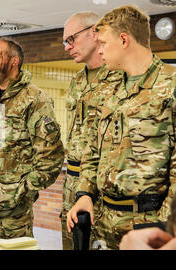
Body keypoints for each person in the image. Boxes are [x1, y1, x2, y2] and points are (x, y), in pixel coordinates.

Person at [67, 5, 176, 249]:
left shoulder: (170, 87)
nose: (100, 50)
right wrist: (84, 194)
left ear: (124, 40)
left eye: (104, 43)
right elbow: (91, 152)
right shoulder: (108, 90)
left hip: (148, 226)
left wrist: (164, 228)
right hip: (102, 223)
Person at [0, 37, 64, 240]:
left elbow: (51, 157)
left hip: (12, 213)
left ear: (14, 61)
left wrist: (22, 192)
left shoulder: (35, 99)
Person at [61, 11, 123, 250]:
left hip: (104, 191)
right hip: (73, 184)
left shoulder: (121, 75)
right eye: (65, 42)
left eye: (71, 39)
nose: (68, 47)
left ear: (94, 33)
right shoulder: (77, 81)